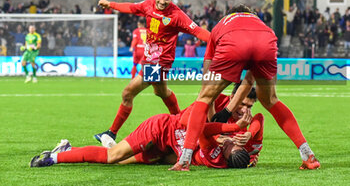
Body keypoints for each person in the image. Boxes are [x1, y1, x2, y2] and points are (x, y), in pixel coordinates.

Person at [170, 4, 320, 171]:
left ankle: (184, 160)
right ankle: (308, 155)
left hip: (232, 42)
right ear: (251, 14)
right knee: (270, 100)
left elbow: (207, 83)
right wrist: (227, 111)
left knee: (204, 97)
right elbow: (249, 80)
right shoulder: (261, 24)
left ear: (229, 15)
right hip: (267, 42)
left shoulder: (222, 24)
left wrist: (219, 117)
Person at [30, 86, 262, 169]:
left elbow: (208, 133)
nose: (244, 109)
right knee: (112, 157)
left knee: (120, 160)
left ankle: (69, 148)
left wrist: (244, 151)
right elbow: (188, 123)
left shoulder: (218, 155)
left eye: (248, 105)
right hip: (160, 129)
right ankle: (57, 157)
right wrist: (231, 132)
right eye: (242, 103)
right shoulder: (210, 105)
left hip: (168, 148)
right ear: (233, 96)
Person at [94, 0, 210, 142]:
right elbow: (131, 8)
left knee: (128, 93)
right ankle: (181, 123)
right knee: (161, 92)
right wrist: (111, 5)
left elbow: (198, 31)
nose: (162, 1)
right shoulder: (148, 5)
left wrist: (218, 42)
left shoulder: (177, 15)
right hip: (149, 61)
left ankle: (111, 133)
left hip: (159, 64)